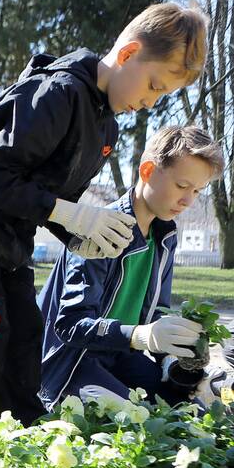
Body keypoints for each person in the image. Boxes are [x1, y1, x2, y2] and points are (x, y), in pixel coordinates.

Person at [0, 2, 209, 424]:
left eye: (161, 95)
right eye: (154, 85)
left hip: (11, 239)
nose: (150, 102)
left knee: (26, 340)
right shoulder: (57, 92)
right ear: (128, 55)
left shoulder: (106, 127)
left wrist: (79, 236)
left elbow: (51, 199)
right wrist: (74, 217)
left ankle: (30, 437)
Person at [38, 126, 227, 407]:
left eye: (198, 191)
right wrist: (141, 335)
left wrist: (180, 360)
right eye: (182, 186)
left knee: (185, 409)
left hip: (121, 355)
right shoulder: (100, 228)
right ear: (148, 171)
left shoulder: (166, 237)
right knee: (137, 415)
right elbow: (69, 325)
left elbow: (159, 315)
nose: (188, 200)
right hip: (71, 362)